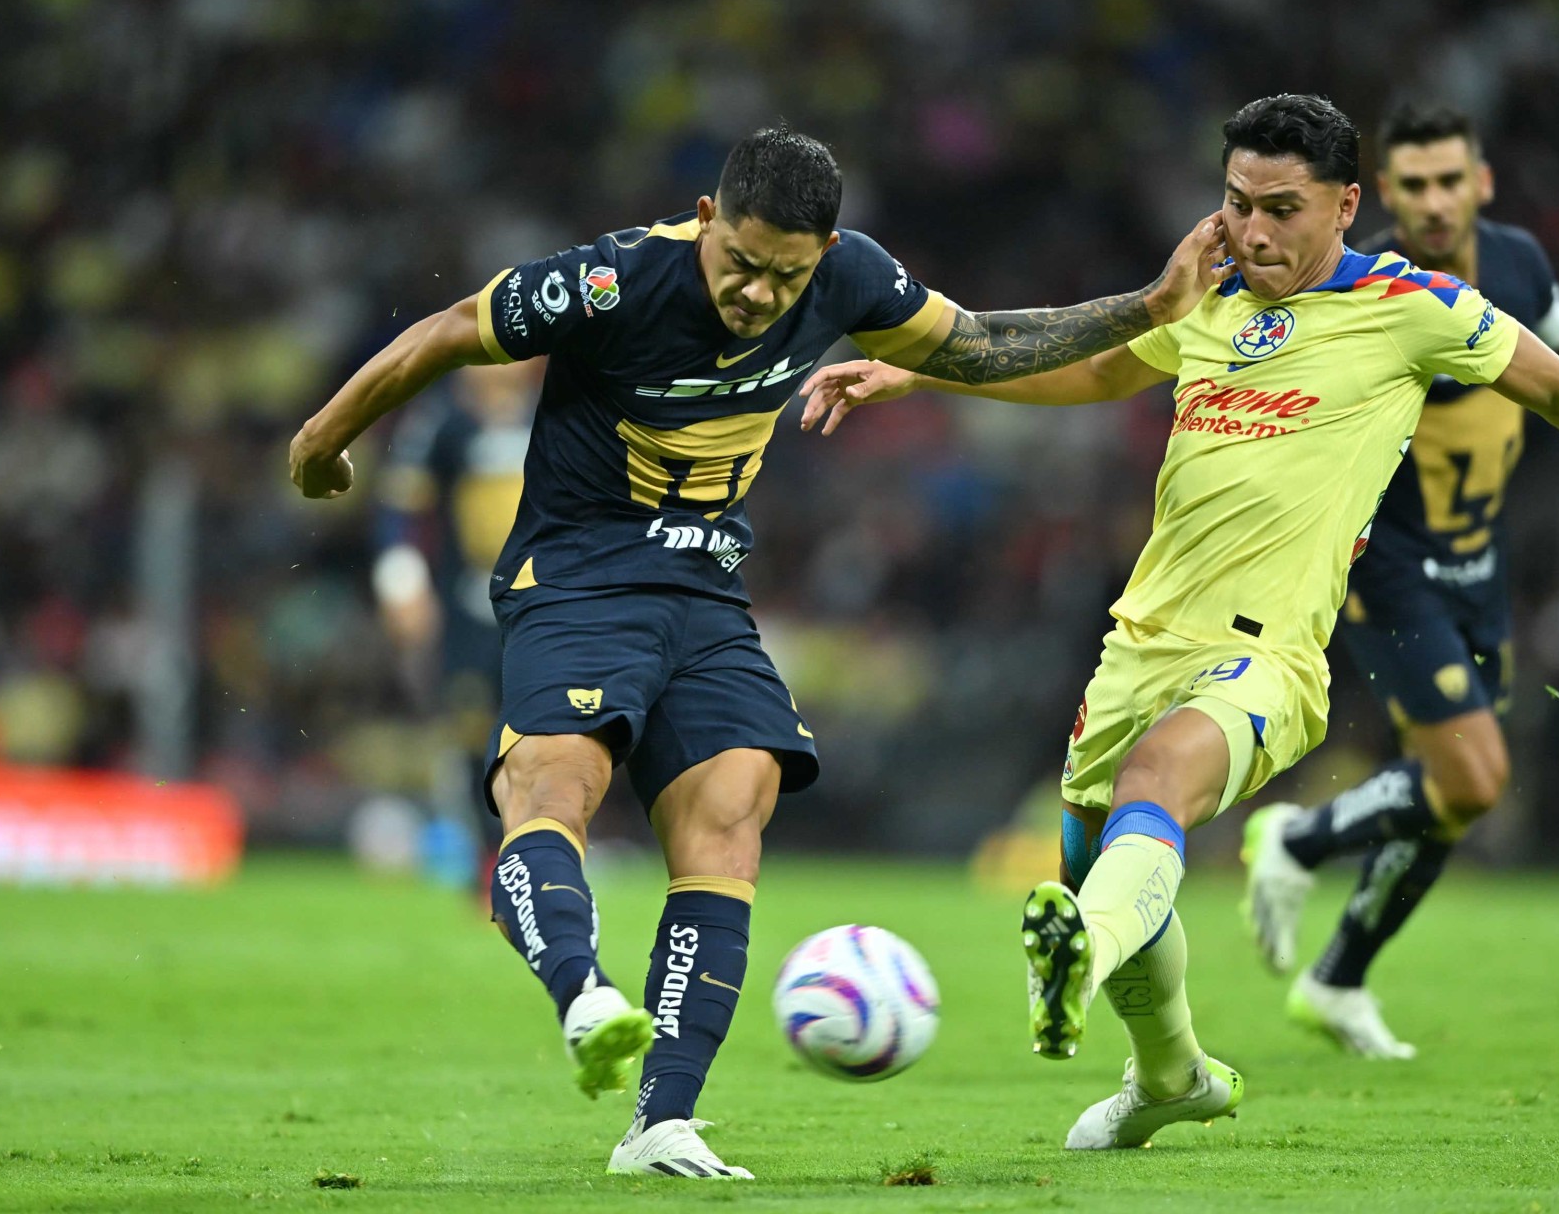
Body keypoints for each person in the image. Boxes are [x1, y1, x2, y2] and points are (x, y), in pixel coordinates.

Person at [800, 94, 1559, 1150]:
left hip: (1266, 655)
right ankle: (1170, 1075)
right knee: (1102, 861)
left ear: (1346, 205)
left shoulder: (1415, 306)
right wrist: (920, 368)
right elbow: (1100, 366)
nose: (1252, 231)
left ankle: (1077, 955)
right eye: (1238, 203)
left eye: (1282, 209)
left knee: (1154, 788)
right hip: (1136, 645)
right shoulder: (1209, 297)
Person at [288, 126, 1231, 1180]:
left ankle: (661, 1122)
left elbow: (976, 343)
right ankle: (584, 992)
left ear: (822, 252)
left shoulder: (850, 276)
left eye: (786, 274)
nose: (757, 292)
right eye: (740, 262)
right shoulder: (613, 278)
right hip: (581, 576)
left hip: (705, 589)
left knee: (735, 808)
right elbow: (453, 329)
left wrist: (1150, 305)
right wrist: (324, 438)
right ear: (707, 218)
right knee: (553, 786)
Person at [1238, 102, 1559, 1057]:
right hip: (1390, 567)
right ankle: (1298, 841)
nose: (1436, 202)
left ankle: (1339, 978)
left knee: (1451, 795)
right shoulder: (1369, 291)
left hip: (1481, 567)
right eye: (1416, 185)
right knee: (1475, 776)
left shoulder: (1518, 264)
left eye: (1452, 180)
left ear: (1481, 182)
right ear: (1381, 195)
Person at [371, 361, 542, 889]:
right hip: (469, 602)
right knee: (472, 728)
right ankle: (490, 858)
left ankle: (544, 853)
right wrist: (401, 579)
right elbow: (400, 505)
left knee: (545, 730)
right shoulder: (440, 419)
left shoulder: (556, 412)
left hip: (545, 600)